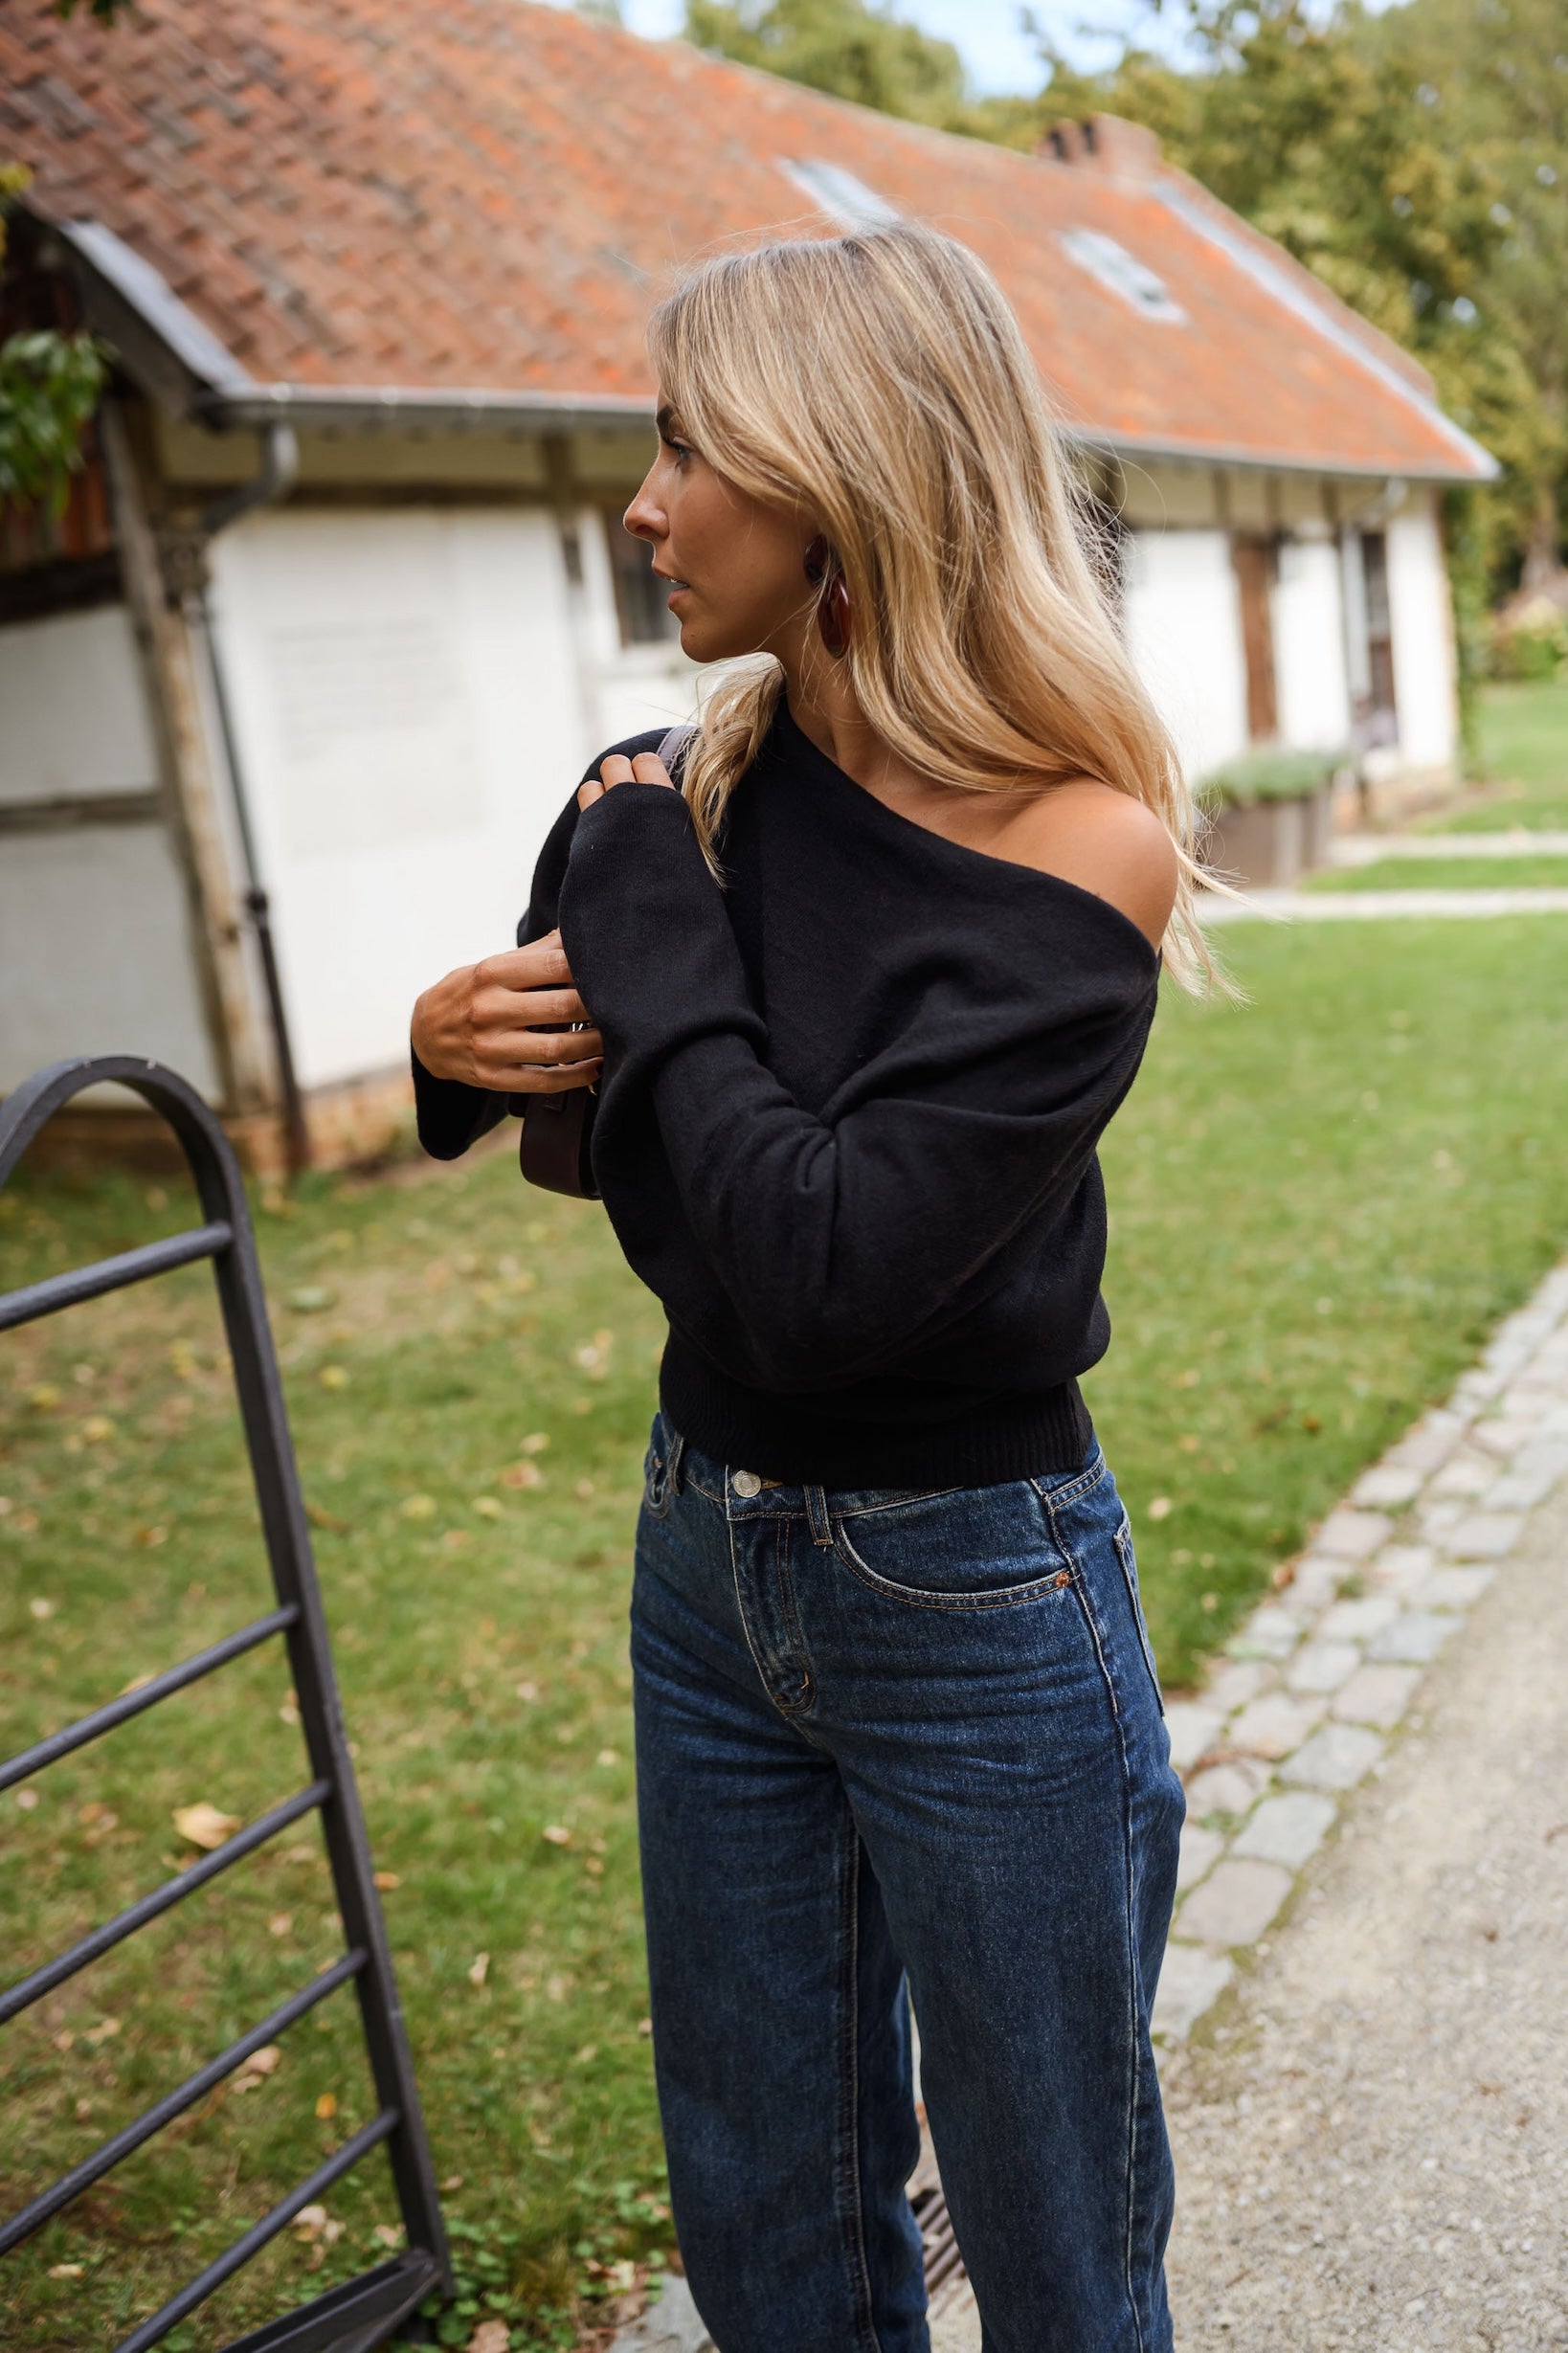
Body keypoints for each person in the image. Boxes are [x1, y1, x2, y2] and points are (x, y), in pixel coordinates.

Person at [411, 222, 1204, 2353]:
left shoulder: (1078, 844)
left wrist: (643, 888)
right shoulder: (703, 787)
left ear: (846, 471)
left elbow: (816, 1269)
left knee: (1058, 2239)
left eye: (692, 448)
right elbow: (599, 1135)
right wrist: (445, 1042)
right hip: (707, 1557)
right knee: (769, 2222)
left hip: (980, 1600)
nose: (645, 504)